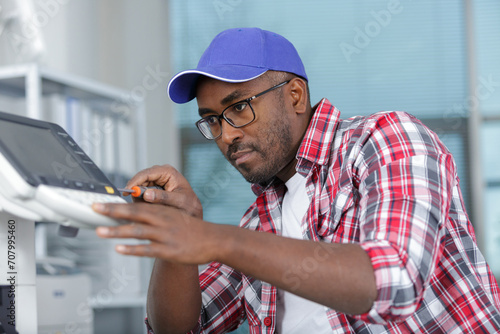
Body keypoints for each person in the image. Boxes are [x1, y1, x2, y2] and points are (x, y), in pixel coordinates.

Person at [92, 27, 500, 333]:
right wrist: (180, 238)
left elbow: (394, 280)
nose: (227, 134)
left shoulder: (384, 139)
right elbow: (179, 329)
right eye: (212, 120)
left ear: (295, 96)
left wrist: (215, 240)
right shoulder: (258, 221)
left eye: (239, 108)